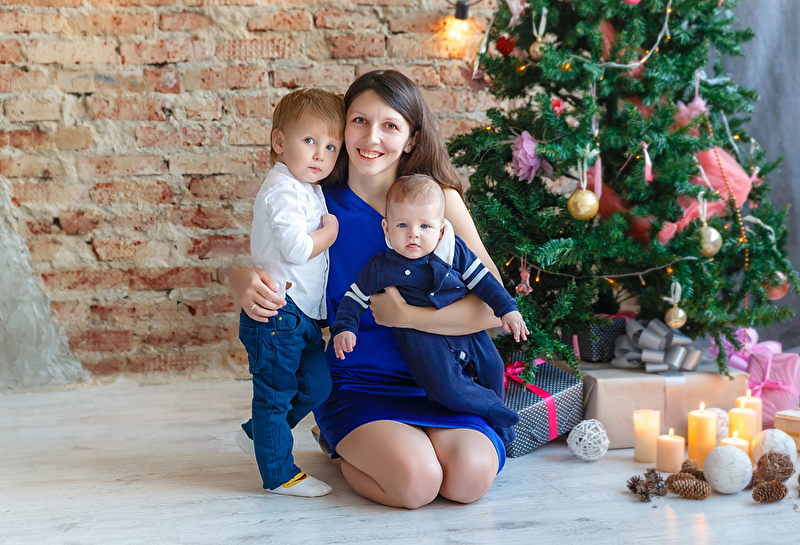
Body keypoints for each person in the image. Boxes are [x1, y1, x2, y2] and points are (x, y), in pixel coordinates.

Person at [233, 70, 507, 509]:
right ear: (342, 127)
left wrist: (409, 317)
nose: (371, 137)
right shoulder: (316, 200)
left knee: (470, 479)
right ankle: (341, 442)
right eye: (359, 120)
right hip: (357, 381)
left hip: (442, 379)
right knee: (416, 484)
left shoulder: (440, 203)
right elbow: (270, 254)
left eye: (390, 125)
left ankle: (403, 443)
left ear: (412, 139)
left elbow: (493, 307)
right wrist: (241, 279)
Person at [331, 174, 527, 444]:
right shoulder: (382, 267)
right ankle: (492, 408)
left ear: (441, 231)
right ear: (386, 227)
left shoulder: (454, 252)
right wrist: (345, 327)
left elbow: (484, 281)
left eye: (425, 226)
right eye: (403, 225)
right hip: (422, 341)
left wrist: (508, 309)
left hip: (463, 329)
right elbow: (354, 297)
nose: (413, 233)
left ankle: (497, 420)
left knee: (492, 366)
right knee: (444, 386)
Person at [237, 88, 343, 497]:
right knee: (275, 395)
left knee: (317, 387)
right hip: (278, 314)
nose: (320, 155)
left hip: (302, 315)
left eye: (330, 146)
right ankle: (280, 474)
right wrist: (330, 232)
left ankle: (257, 434)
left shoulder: (307, 186)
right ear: (280, 141)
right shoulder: (282, 188)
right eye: (310, 140)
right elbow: (297, 249)